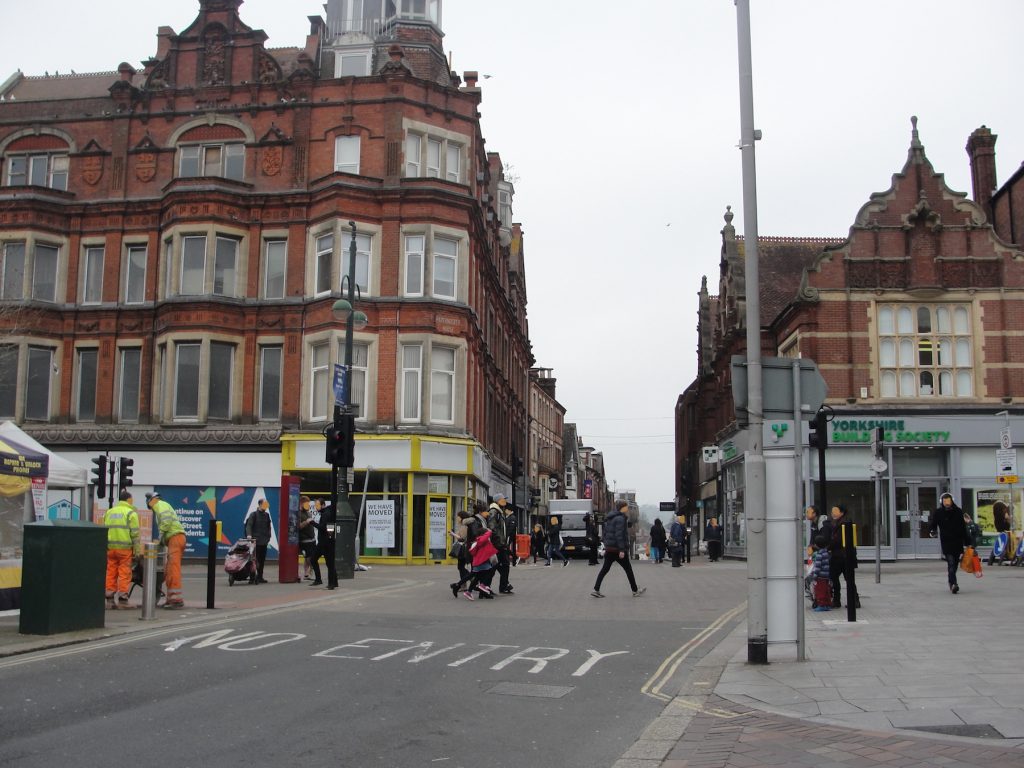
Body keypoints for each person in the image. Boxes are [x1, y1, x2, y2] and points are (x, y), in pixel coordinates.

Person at [591, 500, 645, 598]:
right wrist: (621, 550)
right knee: (628, 569)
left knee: (604, 569)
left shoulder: (610, 518)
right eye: (626, 507)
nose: (627, 509)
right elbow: (619, 535)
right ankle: (635, 590)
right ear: (623, 508)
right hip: (617, 549)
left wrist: (606, 545)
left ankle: (596, 589)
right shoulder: (620, 519)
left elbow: (606, 533)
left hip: (610, 548)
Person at [146, 491, 186, 609]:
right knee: (169, 569)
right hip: (175, 538)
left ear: (152, 500)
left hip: (176, 537)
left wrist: (159, 537)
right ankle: (171, 598)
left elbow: (166, 521)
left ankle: (176, 599)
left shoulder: (160, 505)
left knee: (173, 568)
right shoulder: (161, 505)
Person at [104, 490, 141, 609]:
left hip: (110, 548)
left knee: (111, 572)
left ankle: (109, 599)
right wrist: (137, 551)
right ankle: (123, 599)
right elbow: (135, 534)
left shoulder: (109, 512)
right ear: (129, 500)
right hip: (124, 549)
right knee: (124, 573)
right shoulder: (131, 513)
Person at [930, 492, 970, 594]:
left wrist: (967, 542)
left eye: (948, 501)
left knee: (955, 564)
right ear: (941, 502)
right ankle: (954, 584)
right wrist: (932, 531)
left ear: (952, 501)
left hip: (957, 541)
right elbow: (933, 524)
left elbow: (963, 528)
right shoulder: (938, 513)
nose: (947, 503)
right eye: (945, 501)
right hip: (946, 541)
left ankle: (951, 582)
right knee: (951, 563)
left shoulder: (958, 512)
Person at [828, 504, 859, 608]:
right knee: (847, 579)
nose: (833, 513)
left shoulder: (844, 524)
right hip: (843, 556)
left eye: (835, 511)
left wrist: (828, 546)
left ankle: (841, 600)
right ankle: (853, 600)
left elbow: (838, 541)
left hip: (841, 556)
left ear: (841, 512)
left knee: (838, 578)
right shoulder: (839, 523)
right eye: (832, 511)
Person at [489, 494, 515, 594]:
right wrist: (500, 542)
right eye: (503, 499)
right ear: (498, 500)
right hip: (497, 544)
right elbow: (493, 528)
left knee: (504, 565)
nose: (505, 501)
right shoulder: (494, 512)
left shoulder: (499, 512)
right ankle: (486, 586)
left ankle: (504, 586)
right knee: (495, 566)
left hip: (501, 544)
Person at [245, 497, 273, 584]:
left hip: (264, 541)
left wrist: (269, 536)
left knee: (262, 559)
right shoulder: (253, 515)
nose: (266, 506)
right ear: (260, 504)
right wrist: (249, 535)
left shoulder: (267, 515)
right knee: (254, 560)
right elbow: (249, 525)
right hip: (255, 541)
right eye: (265, 504)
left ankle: (260, 576)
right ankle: (252, 577)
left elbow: (269, 526)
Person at [449, 509, 474, 598]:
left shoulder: (464, 525)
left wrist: (452, 534)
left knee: (461, 567)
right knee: (461, 566)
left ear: (462, 517)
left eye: (458, 516)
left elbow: (462, 538)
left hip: (463, 549)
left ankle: (469, 580)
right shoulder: (465, 525)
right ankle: (466, 582)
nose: (457, 518)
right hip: (466, 548)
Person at [298, 496, 322, 586]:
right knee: (309, 557)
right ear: (301, 503)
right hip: (304, 539)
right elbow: (299, 526)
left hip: (312, 538)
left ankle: (308, 573)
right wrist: (307, 522)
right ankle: (307, 573)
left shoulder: (308, 513)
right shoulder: (298, 514)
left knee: (311, 556)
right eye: (306, 503)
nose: (308, 505)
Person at [316, 500, 338, 589]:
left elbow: (323, 527)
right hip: (327, 542)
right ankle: (334, 582)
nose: (316, 507)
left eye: (317, 505)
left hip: (326, 543)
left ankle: (331, 584)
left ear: (323, 505)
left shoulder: (326, 514)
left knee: (330, 563)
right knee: (330, 563)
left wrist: (312, 522)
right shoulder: (327, 513)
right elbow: (330, 528)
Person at [809, 535, 831, 611]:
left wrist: (814, 576)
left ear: (817, 545)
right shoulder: (826, 553)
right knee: (826, 590)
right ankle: (827, 604)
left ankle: (821, 605)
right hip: (826, 576)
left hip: (820, 576)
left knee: (820, 591)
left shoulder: (819, 554)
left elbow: (817, 567)